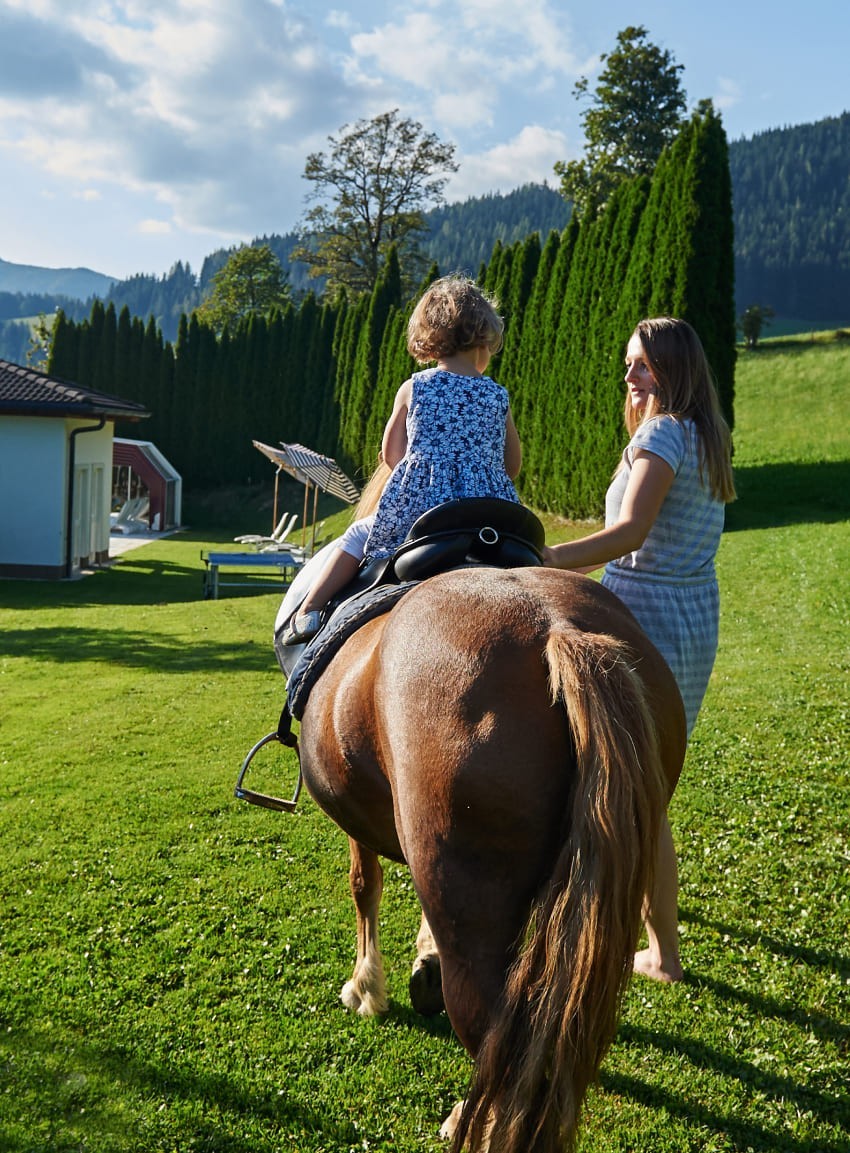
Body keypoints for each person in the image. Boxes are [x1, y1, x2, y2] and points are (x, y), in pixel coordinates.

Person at [544, 316, 736, 983]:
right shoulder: (706, 437)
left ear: (675, 370)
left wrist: (541, 560)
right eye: (629, 363)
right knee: (646, 782)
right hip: (691, 612)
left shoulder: (662, 433)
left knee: (634, 786)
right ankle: (656, 941)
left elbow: (627, 533)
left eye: (645, 365)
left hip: (645, 610)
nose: (630, 376)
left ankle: (661, 952)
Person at [362, 274, 522, 562]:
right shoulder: (497, 395)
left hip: (423, 513)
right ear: (485, 339)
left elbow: (392, 455)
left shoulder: (415, 387)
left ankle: (312, 605)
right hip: (489, 515)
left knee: (354, 539)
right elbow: (511, 466)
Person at [284, 459, 392, 644]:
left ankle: (310, 609)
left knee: (357, 533)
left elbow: (392, 454)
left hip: (421, 503)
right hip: (457, 513)